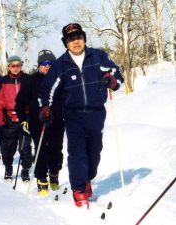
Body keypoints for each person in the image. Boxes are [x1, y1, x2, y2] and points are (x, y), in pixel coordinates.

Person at [38, 23, 124, 208]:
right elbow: (47, 91)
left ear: (84, 38)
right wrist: (45, 108)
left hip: (96, 114)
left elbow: (117, 73)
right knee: (77, 153)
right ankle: (78, 189)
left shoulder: (98, 56)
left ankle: (87, 179)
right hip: (73, 115)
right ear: (65, 42)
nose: (76, 42)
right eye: (71, 39)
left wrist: (113, 80)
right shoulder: (60, 65)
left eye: (78, 37)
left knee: (94, 153)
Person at [15, 50, 64, 196]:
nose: (48, 66)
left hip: (57, 121)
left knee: (56, 150)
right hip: (38, 122)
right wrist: (23, 120)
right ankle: (41, 179)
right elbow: (20, 103)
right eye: (44, 63)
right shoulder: (31, 80)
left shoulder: (60, 79)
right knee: (41, 150)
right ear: (39, 65)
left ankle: (54, 174)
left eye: (51, 63)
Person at [0, 56, 32, 181]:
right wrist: (0, 117)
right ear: (8, 67)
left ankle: (25, 170)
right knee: (8, 147)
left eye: (18, 65)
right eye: (13, 65)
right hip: (8, 118)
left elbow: (33, 96)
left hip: (24, 117)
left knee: (25, 147)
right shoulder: (3, 81)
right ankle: (8, 169)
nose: (16, 68)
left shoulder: (27, 79)